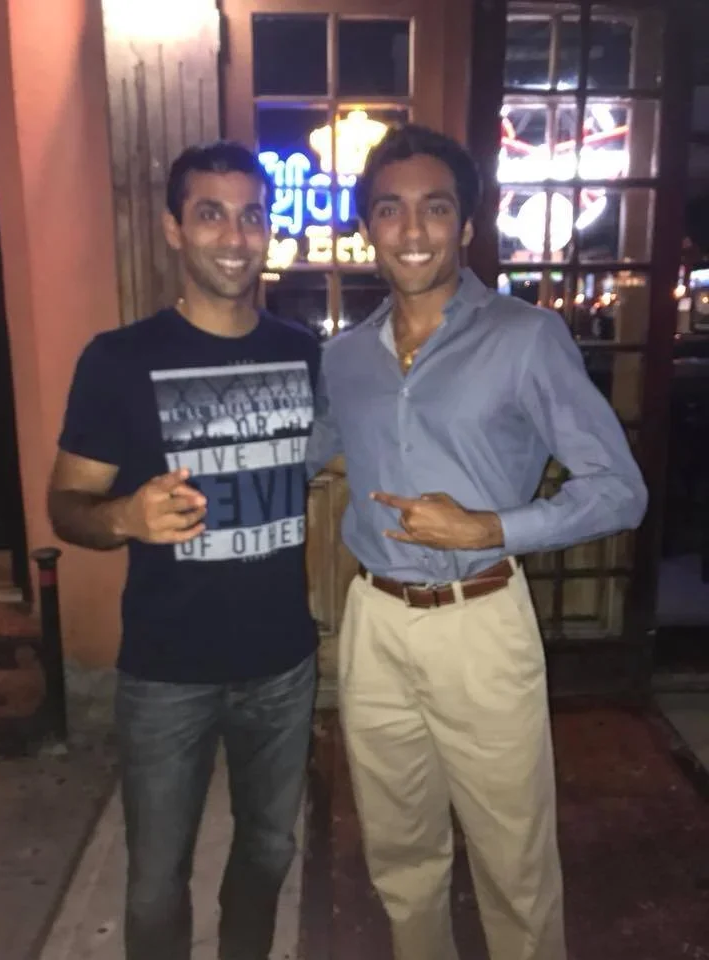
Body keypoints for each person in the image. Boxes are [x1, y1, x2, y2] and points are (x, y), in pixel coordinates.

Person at [306, 124, 648, 960]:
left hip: (481, 620)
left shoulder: (524, 338)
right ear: (368, 226)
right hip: (374, 622)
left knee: (513, 860)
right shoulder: (345, 357)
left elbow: (620, 490)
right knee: (399, 855)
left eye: (434, 208)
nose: (411, 230)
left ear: (465, 224)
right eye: (390, 209)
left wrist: (491, 527)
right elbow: (304, 453)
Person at [48, 141, 320, 960]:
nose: (235, 237)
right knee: (156, 880)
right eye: (211, 214)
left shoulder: (305, 352)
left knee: (268, 851)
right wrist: (124, 516)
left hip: (283, 665)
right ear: (174, 229)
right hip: (167, 673)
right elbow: (65, 506)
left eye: (251, 216)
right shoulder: (118, 360)